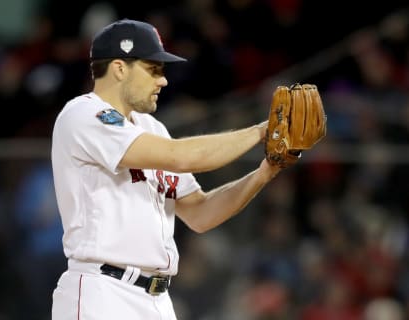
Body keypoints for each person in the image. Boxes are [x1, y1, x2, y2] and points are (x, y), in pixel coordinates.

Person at [51, 18, 282, 320]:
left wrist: (266, 170)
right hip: (103, 293)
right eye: (153, 69)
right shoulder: (84, 114)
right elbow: (179, 157)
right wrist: (262, 132)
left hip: (157, 300)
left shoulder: (151, 127)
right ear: (120, 68)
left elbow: (201, 213)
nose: (163, 80)